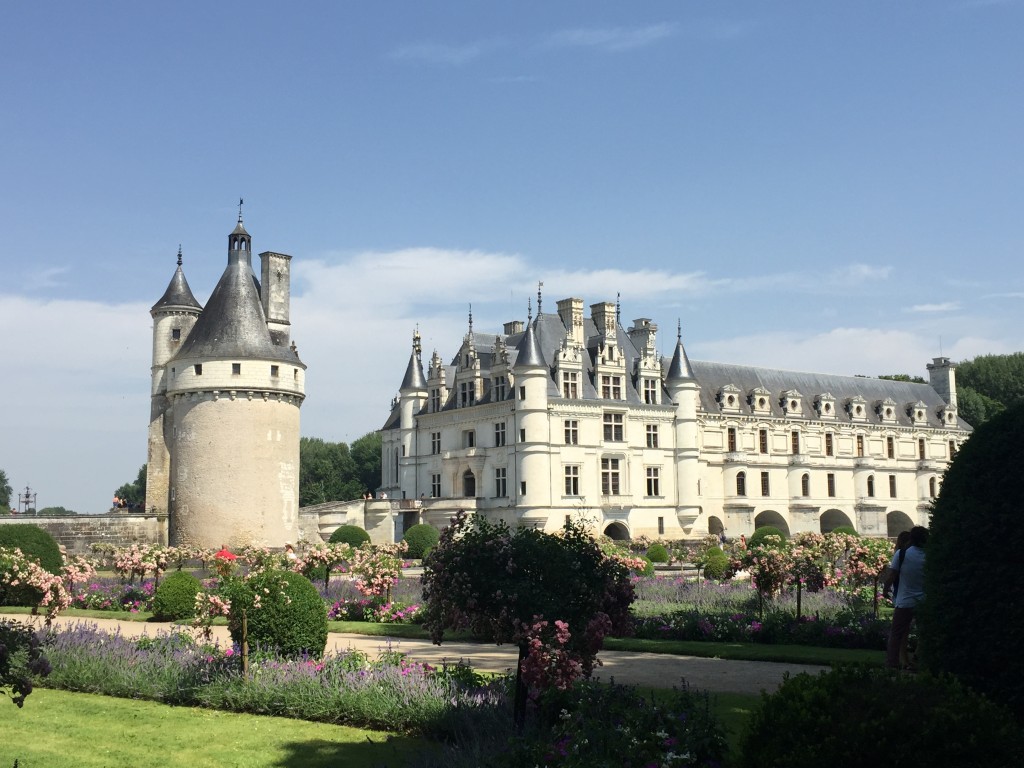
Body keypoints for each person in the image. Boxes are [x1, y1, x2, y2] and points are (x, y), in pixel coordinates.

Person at [886, 526, 927, 670]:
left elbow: (891, 575)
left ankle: (893, 664)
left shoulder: (902, 554)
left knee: (896, 634)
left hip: (904, 601)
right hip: (923, 600)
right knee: (925, 632)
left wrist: (885, 590)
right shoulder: (929, 555)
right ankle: (917, 658)